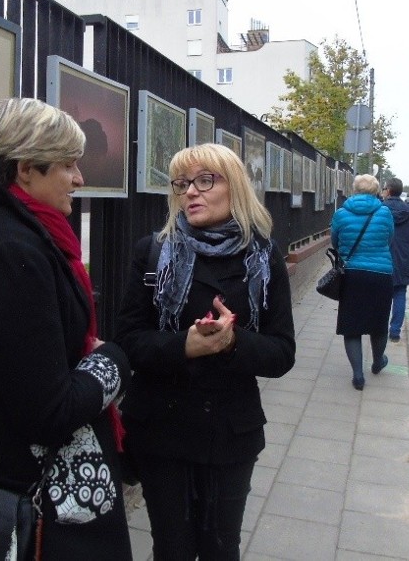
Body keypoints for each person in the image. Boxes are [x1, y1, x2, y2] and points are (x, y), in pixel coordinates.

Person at [0, 98, 133, 560]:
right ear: (25, 169)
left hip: (22, 490)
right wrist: (114, 361)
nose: (79, 178)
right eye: (68, 165)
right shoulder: (11, 252)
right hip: (33, 507)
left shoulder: (2, 229)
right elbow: (48, 412)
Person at [114, 143, 296, 560]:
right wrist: (186, 346)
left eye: (204, 181)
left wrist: (233, 342)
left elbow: (282, 352)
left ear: (235, 188)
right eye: (182, 184)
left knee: (221, 548)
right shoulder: (154, 251)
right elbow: (127, 340)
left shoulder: (264, 257)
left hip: (230, 431)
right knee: (172, 549)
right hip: (162, 429)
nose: (190, 192)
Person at [330, 174, 394, 390]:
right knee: (379, 324)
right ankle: (378, 362)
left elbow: (335, 242)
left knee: (352, 326)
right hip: (381, 275)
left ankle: (358, 376)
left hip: (353, 275)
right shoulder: (384, 212)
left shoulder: (341, 213)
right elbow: (389, 238)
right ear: (375, 190)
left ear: (354, 190)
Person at [381, 178, 409, 341]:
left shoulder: (380, 210)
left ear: (389, 191)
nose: (383, 191)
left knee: (382, 294)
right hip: (404, 258)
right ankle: (395, 331)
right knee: (400, 293)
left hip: (382, 256)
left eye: (385, 189)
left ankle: (380, 329)